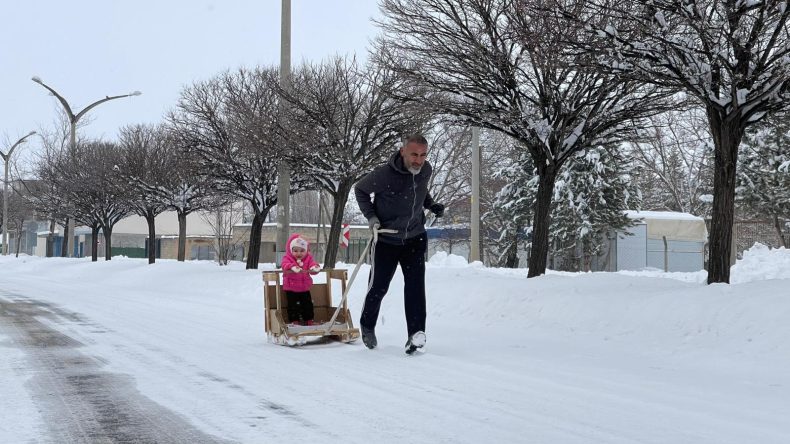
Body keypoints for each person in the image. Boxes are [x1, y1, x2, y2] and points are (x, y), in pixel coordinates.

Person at [354, 134, 445, 354]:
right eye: (414, 154)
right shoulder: (384, 174)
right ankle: (367, 325)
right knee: (378, 287)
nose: (418, 160)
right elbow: (360, 190)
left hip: (415, 237)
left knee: (415, 288)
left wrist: (431, 205)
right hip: (386, 239)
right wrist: (372, 218)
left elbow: (420, 190)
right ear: (403, 151)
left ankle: (416, 334)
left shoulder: (425, 170)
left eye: (423, 155)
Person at [280, 233, 321, 326]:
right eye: (296, 251)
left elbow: (312, 265)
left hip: (304, 287)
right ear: (291, 250)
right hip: (291, 287)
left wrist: (315, 267)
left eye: (302, 251)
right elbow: (284, 265)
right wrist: (292, 267)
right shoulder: (287, 257)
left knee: (307, 304)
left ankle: (309, 319)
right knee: (292, 305)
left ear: (306, 250)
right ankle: (294, 320)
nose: (299, 253)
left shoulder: (308, 258)